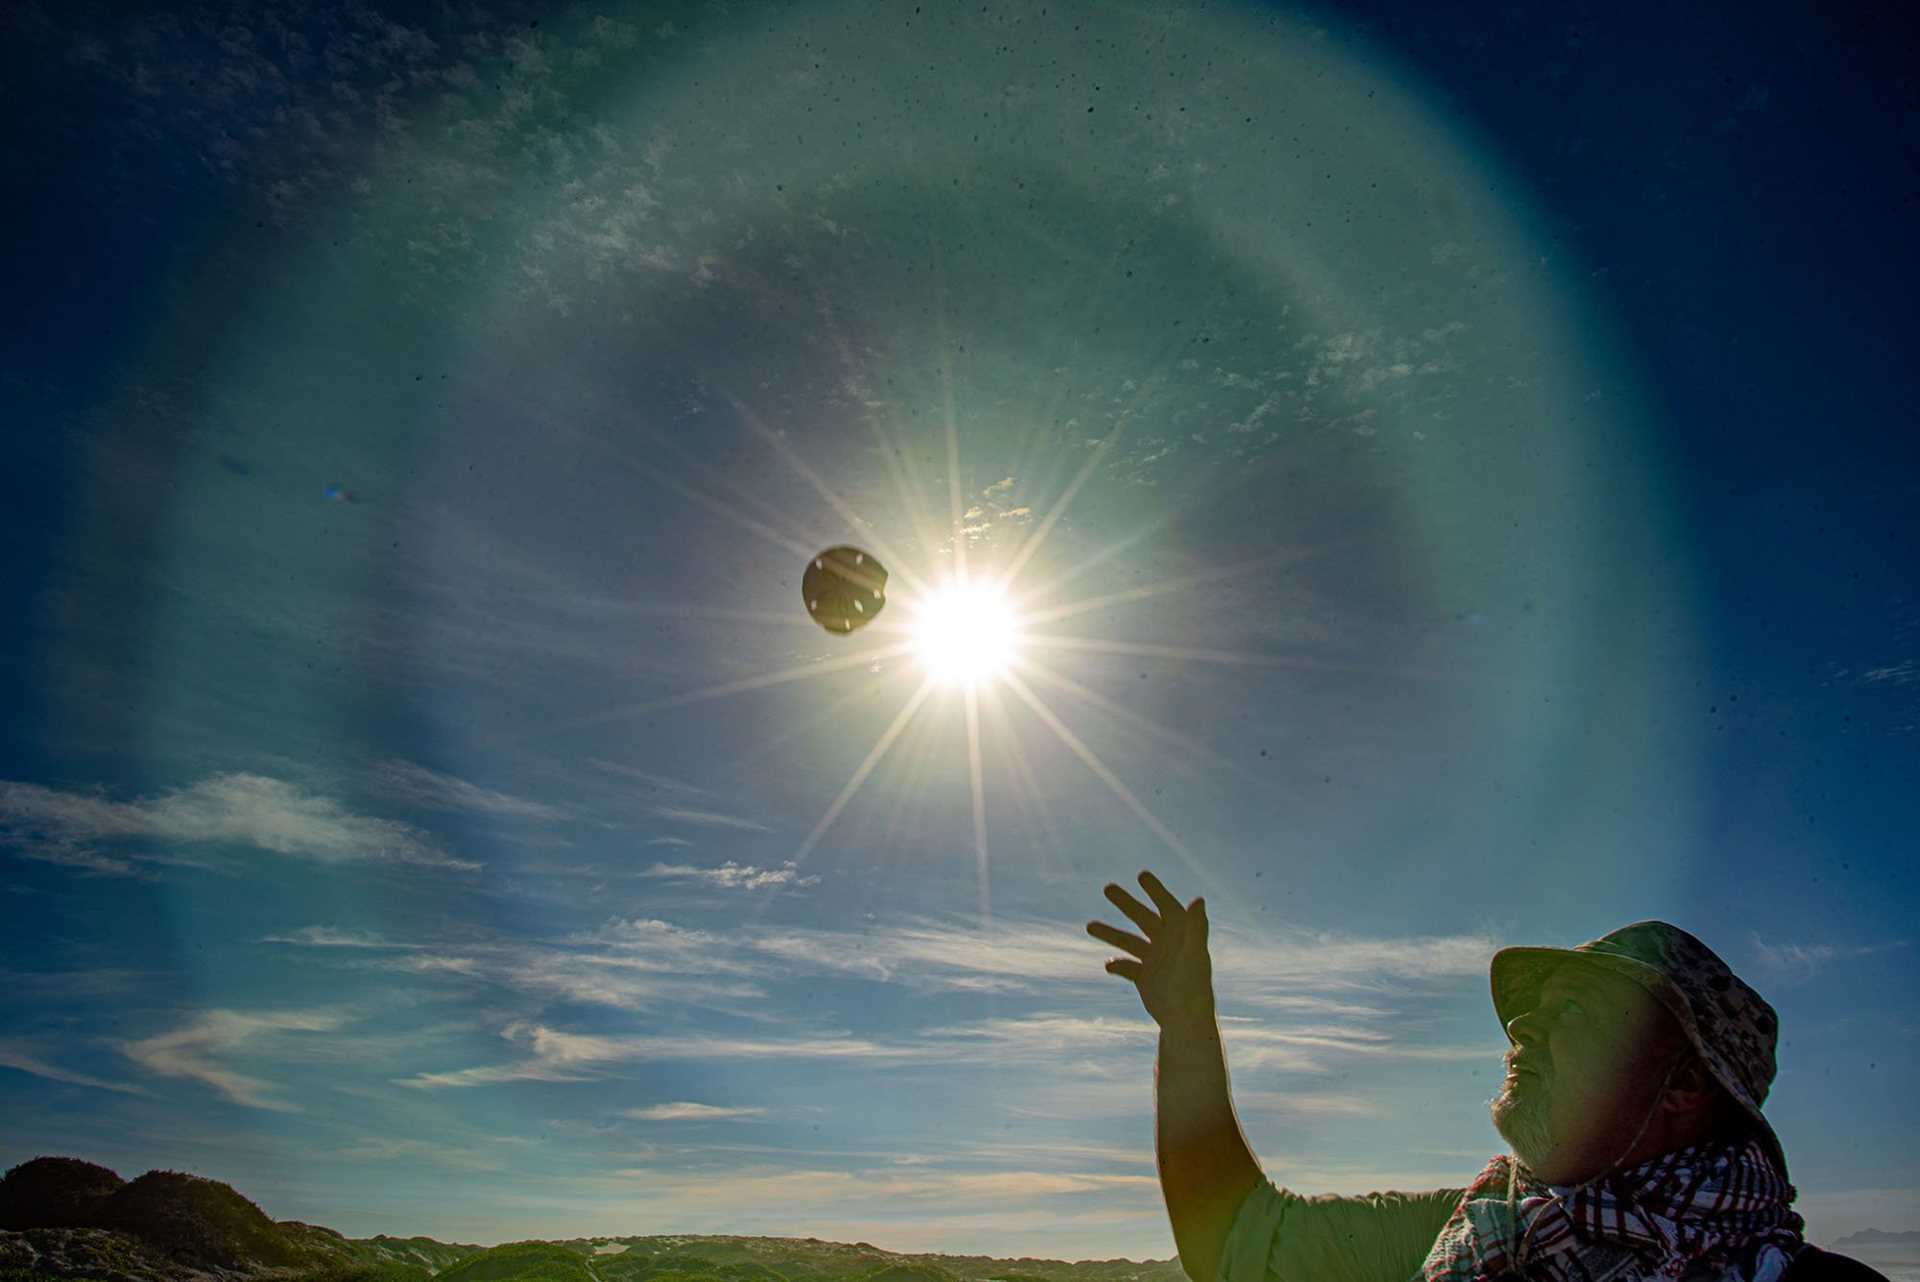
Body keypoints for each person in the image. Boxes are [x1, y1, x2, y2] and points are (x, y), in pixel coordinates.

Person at [1088, 870, 1885, 1282]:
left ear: (1685, 1085)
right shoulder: (1468, 1228)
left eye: (1576, 1014)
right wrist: (1188, 1027)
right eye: (1530, 1013)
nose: (1525, 1029)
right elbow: (1230, 1240)